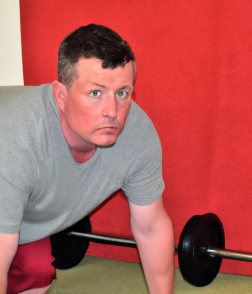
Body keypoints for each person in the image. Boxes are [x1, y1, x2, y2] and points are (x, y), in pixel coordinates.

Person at [0, 24, 174, 294]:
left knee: (36, 271)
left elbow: (151, 227)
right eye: (96, 93)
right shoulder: (17, 139)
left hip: (19, 218)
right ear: (61, 95)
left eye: (122, 93)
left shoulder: (137, 134)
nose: (111, 111)